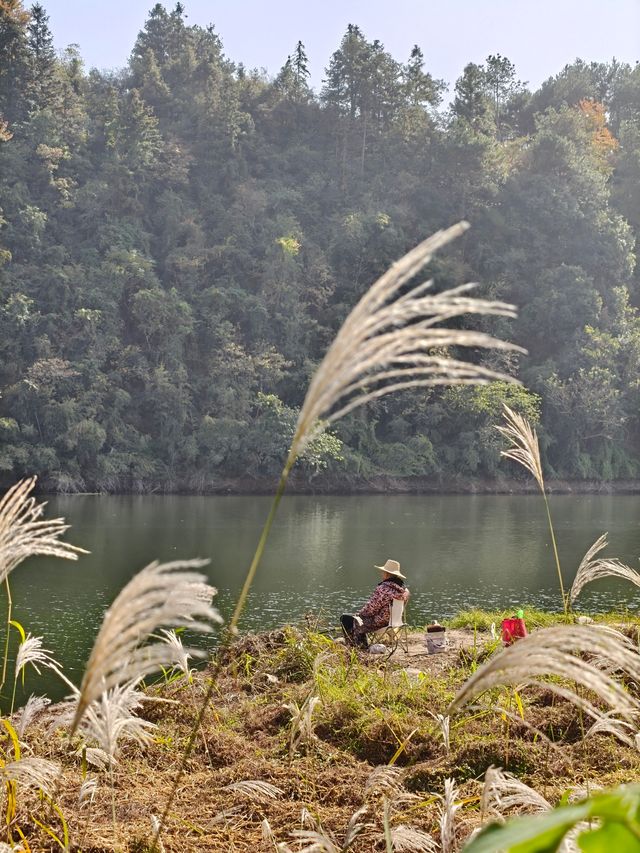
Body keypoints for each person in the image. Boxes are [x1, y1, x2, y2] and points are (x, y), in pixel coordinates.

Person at [340, 559, 410, 649]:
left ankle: (356, 647)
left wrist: (359, 614)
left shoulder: (383, 589)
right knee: (358, 618)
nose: (381, 574)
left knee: (346, 619)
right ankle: (362, 645)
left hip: (380, 623)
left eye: (383, 572)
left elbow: (371, 608)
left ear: (387, 574)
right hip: (394, 622)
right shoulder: (403, 590)